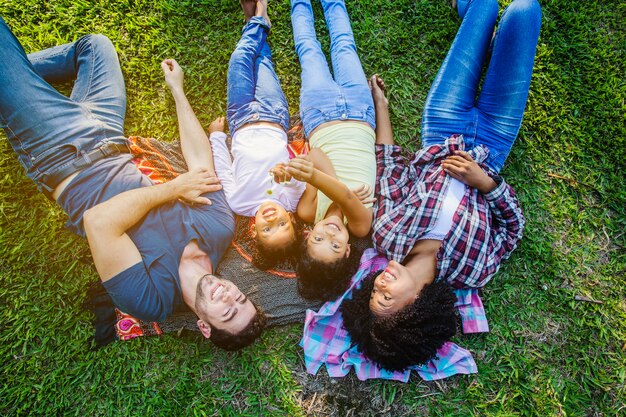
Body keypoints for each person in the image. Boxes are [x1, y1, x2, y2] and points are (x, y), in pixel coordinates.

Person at [0, 16, 265, 350]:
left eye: (227, 313)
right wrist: (177, 91)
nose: (229, 297)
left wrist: (172, 189)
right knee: (95, 46)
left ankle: (16, 80)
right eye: (240, 299)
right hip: (109, 130)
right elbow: (200, 164)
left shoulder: (149, 300)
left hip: (61, 153)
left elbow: (99, 223)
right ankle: (17, 80)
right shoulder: (219, 231)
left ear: (205, 327)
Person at [341, 0, 541, 371]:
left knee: (483, 5)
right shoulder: (473, 271)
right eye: (385, 299)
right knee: (525, 11)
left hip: (442, 125)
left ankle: (470, 14)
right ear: (414, 310)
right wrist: (484, 181)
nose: (379, 285)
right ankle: (489, 40)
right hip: (494, 143)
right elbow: (513, 229)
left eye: (374, 293)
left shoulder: (388, 235)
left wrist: (381, 106)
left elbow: (390, 169)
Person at [286, 0, 377, 302]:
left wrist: (332, 183)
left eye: (320, 238)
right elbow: (347, 198)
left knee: (309, 50)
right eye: (336, 245)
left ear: (307, 235)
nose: (332, 233)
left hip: (320, 115)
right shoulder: (360, 226)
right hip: (362, 114)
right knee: (344, 46)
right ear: (349, 250)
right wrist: (336, 189)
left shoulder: (308, 211)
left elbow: (316, 157)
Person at [210, 0, 306, 270]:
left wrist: (217, 137)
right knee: (262, 60)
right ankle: (256, 18)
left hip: (240, 118)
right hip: (273, 115)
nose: (272, 218)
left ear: (253, 231)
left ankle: (257, 18)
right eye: (282, 224)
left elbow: (224, 169)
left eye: (267, 229)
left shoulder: (239, 203)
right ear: (292, 218)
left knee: (240, 60)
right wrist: (288, 175)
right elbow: (300, 179)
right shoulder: (290, 199)